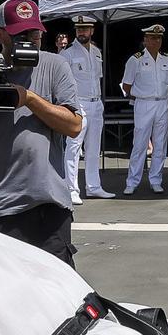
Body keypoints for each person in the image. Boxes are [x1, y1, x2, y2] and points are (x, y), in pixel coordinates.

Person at [0, 0, 84, 260]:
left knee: (57, 294)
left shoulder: (55, 65)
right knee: (3, 297)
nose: (29, 40)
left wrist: (29, 98)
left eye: (34, 33)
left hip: (49, 205)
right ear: (0, 34)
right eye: (20, 34)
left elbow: (73, 125)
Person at [121, 23, 168, 194]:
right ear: (145, 40)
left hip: (162, 102)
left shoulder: (167, 59)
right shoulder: (135, 59)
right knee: (139, 144)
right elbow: (126, 86)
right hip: (143, 103)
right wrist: (140, 96)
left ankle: (156, 179)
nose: (156, 41)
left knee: (160, 144)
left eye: (159, 38)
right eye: (152, 38)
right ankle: (132, 182)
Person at [62, 14, 113, 202]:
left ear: (92, 31)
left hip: (96, 102)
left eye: (85, 29)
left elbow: (97, 79)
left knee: (94, 148)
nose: (81, 32)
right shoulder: (67, 54)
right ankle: (71, 190)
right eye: (78, 29)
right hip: (78, 103)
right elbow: (62, 82)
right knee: (73, 147)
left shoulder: (97, 52)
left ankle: (93, 186)